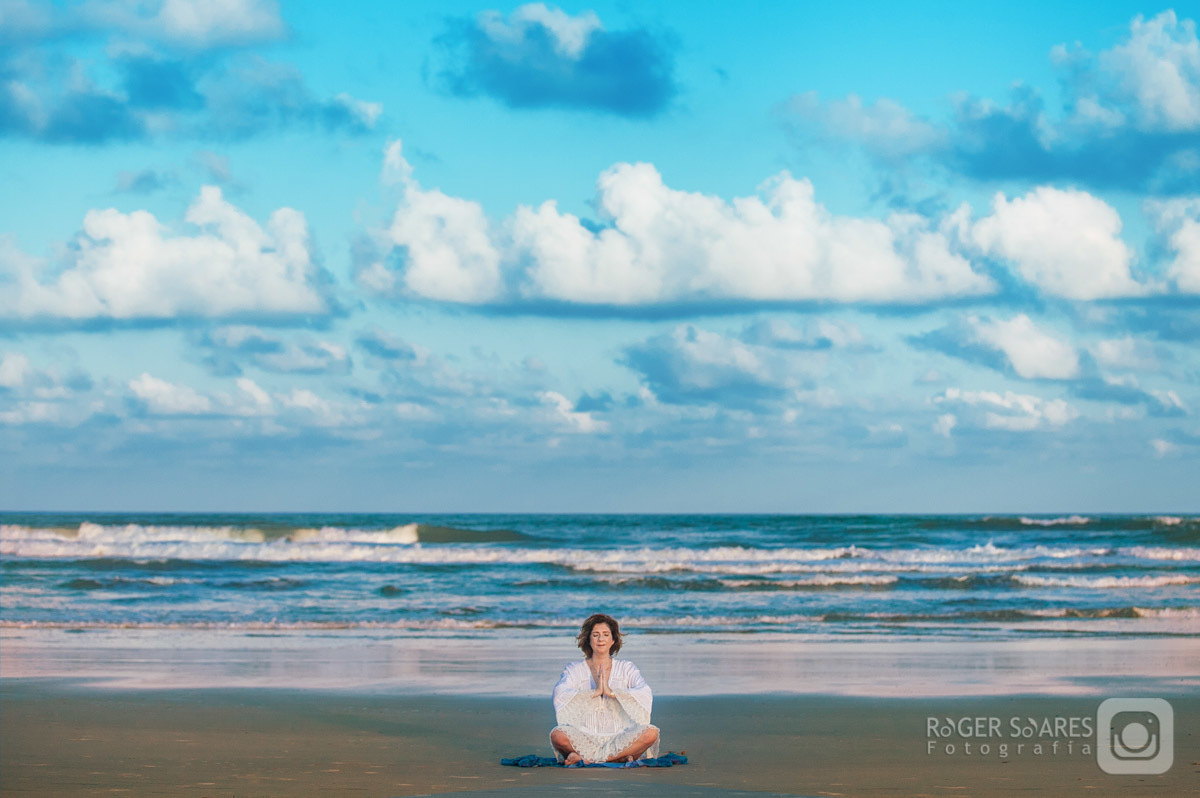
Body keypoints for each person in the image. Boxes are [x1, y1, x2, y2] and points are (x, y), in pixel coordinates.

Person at [549, 613, 660, 765]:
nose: (601, 639)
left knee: (651, 733)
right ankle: (619, 758)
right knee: (557, 735)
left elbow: (644, 692)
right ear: (588, 640)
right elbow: (560, 694)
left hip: (620, 736)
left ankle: (587, 759)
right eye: (595, 635)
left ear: (613, 640)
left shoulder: (626, 668)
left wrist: (612, 693)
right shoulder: (574, 669)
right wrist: (594, 693)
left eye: (605, 634)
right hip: (585, 736)